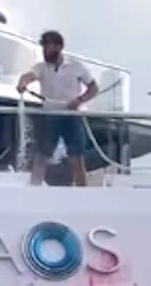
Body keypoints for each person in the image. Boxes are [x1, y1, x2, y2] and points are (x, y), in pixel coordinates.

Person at [16, 30, 99, 187]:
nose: (44, 51)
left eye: (47, 47)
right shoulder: (41, 67)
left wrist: (80, 100)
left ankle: (83, 193)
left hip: (71, 116)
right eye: (43, 47)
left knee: (76, 157)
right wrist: (22, 83)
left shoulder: (75, 66)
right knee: (41, 155)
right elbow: (28, 76)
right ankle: (33, 191)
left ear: (58, 47)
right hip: (50, 116)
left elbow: (93, 87)